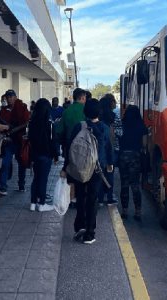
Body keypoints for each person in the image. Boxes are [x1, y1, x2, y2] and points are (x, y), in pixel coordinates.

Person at [61, 99, 113, 244]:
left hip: (80, 168)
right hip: (97, 169)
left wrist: (65, 168)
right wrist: (110, 163)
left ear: (85, 112)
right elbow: (108, 147)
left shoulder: (80, 126)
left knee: (81, 197)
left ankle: (79, 227)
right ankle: (90, 233)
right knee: (93, 199)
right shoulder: (104, 128)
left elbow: (70, 148)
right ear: (99, 112)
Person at [0, 89, 30, 195]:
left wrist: (11, 128)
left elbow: (26, 122)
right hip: (9, 141)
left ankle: (21, 185)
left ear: (15, 97)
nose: (9, 99)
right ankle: (3, 187)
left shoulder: (22, 107)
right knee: (5, 163)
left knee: (22, 163)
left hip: (20, 140)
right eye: (8, 97)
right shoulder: (4, 110)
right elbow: (0, 121)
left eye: (11, 97)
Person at [56, 88, 87, 206]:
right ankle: (81, 197)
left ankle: (72, 198)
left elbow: (59, 130)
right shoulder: (85, 110)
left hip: (69, 146)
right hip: (84, 147)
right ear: (83, 98)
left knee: (71, 170)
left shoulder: (66, 111)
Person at [118, 105, 148, 221]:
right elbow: (144, 145)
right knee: (135, 185)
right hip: (135, 157)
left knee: (124, 185)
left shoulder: (122, 124)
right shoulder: (141, 126)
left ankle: (125, 211)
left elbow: (116, 139)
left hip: (123, 156)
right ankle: (138, 212)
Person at [29, 98, 58, 212]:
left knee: (36, 178)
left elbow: (30, 139)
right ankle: (41, 203)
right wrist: (56, 156)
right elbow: (53, 141)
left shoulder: (32, 123)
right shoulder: (49, 124)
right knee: (43, 179)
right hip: (46, 155)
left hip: (35, 154)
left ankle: (33, 202)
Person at [98, 94, 117, 206]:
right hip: (111, 149)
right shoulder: (114, 117)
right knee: (110, 173)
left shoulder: (98, 117)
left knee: (100, 174)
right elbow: (118, 133)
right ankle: (109, 197)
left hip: (100, 150)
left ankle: (100, 198)